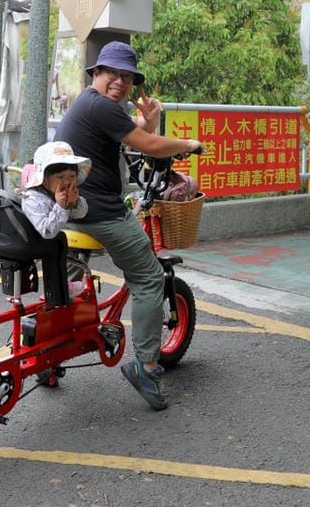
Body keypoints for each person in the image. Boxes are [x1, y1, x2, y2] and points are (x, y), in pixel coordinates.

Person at [54, 41, 203, 410]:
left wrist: (149, 121)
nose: (119, 82)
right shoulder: (101, 105)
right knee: (149, 277)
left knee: (71, 280)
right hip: (97, 210)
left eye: (126, 77)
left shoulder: (91, 105)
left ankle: (52, 355)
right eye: (112, 74)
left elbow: (136, 131)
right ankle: (147, 367)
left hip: (70, 207)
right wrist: (189, 143)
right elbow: (149, 146)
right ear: (96, 75)